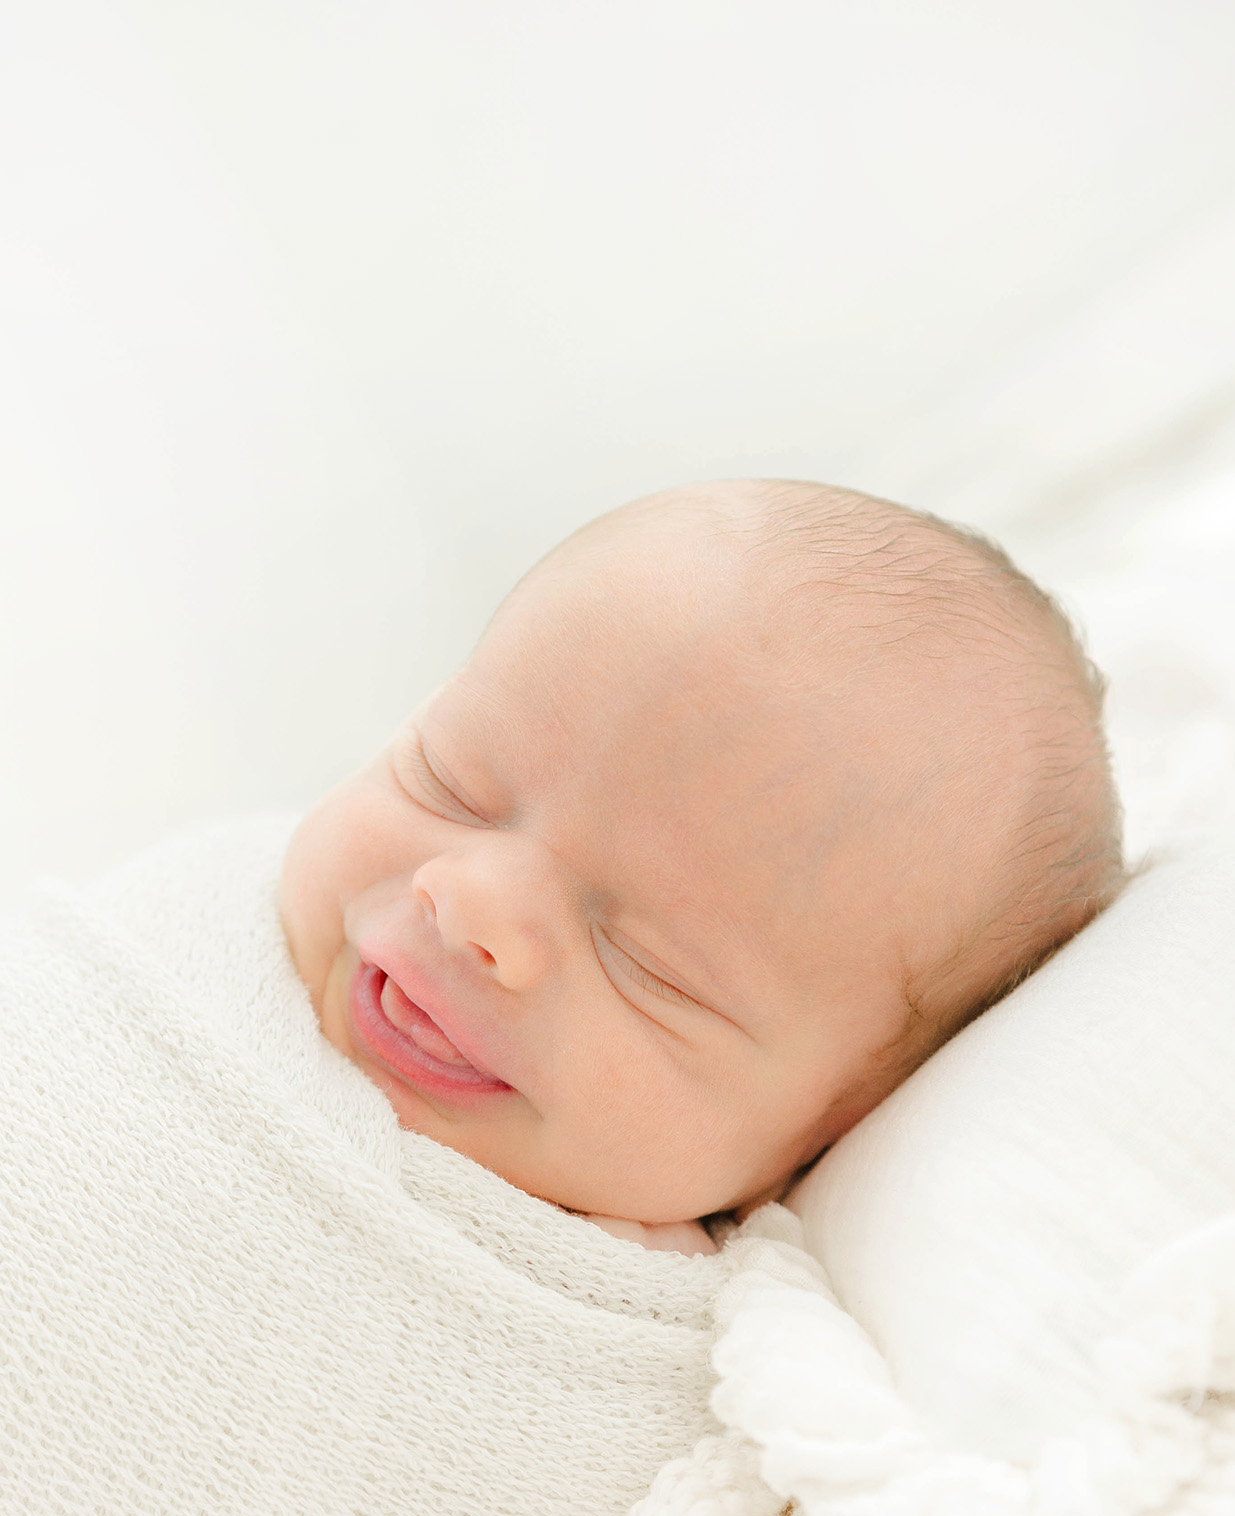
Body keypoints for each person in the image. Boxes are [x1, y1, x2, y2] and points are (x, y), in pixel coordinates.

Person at [281, 478, 1123, 1253]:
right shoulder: (213, 922)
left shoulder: (743, 1363)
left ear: (826, 1135)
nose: (474, 901)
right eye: (451, 780)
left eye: (653, 968)